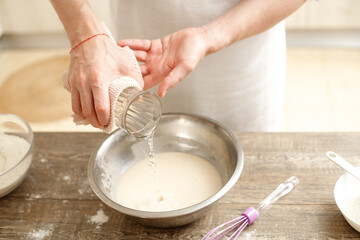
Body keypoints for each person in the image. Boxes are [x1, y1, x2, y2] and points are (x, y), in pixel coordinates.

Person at [50, 0, 305, 131]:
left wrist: (209, 36)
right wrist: (85, 34)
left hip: (242, 50)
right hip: (141, 48)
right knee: (144, 131)